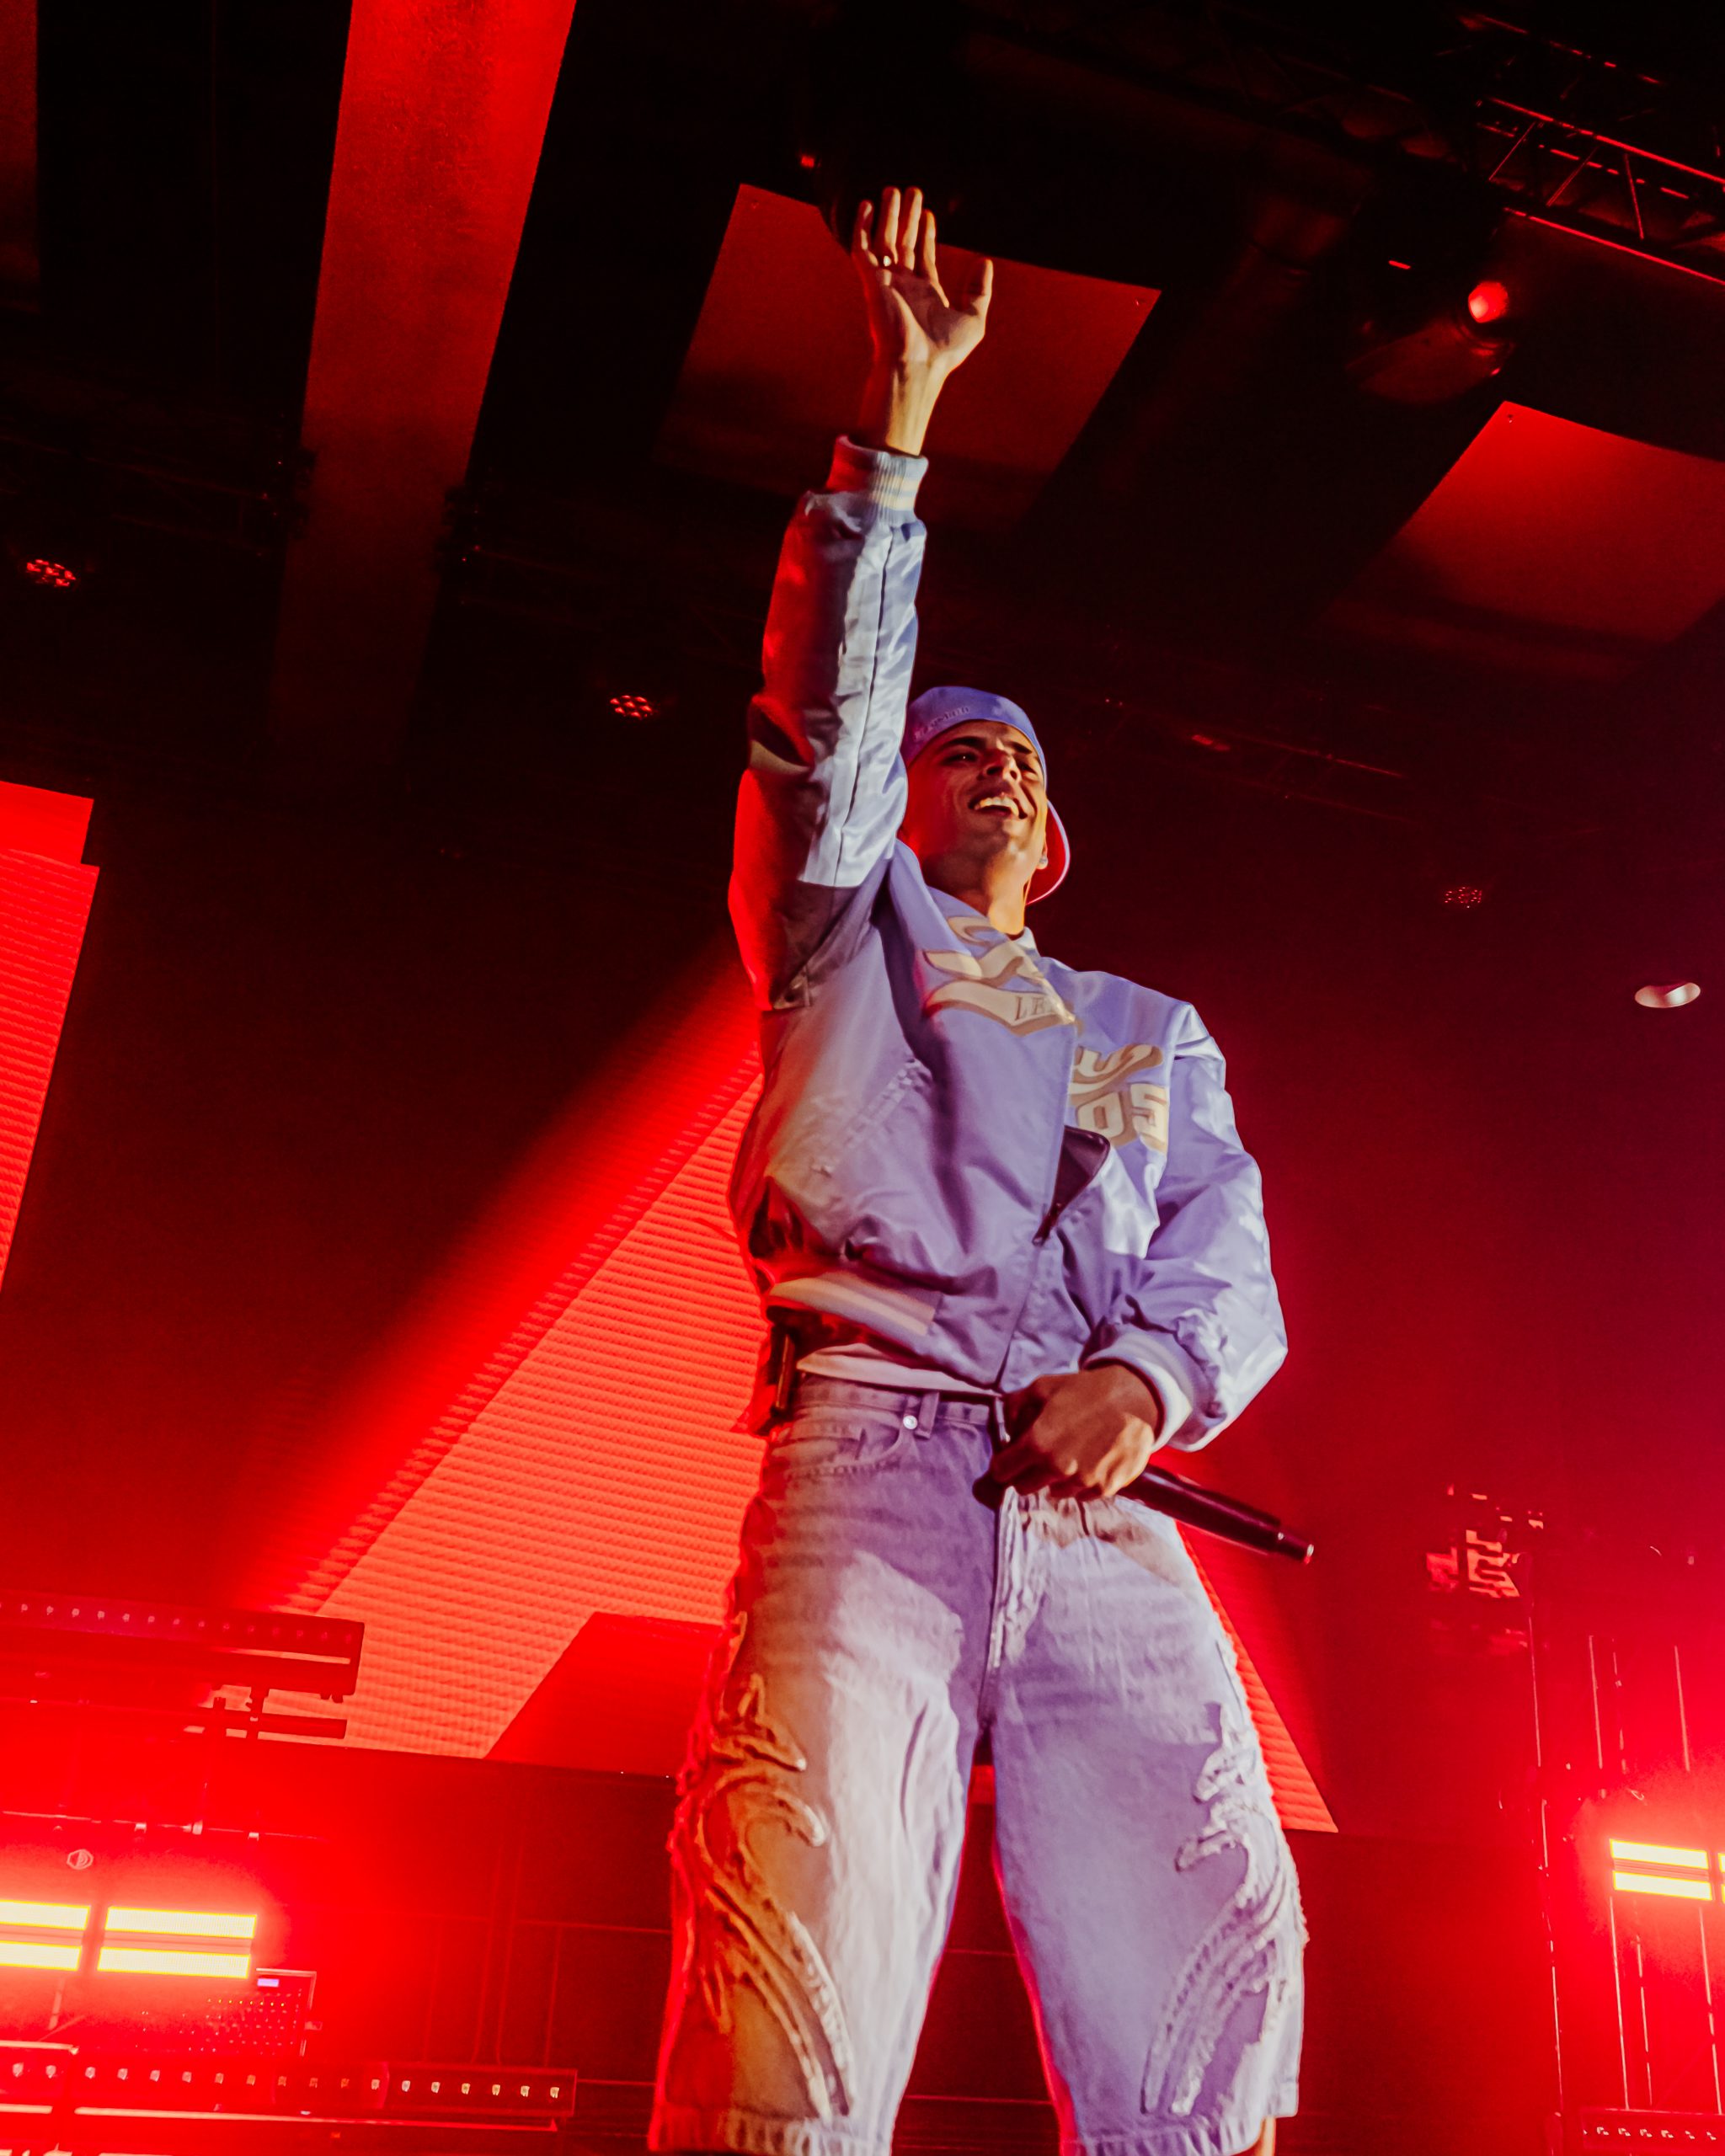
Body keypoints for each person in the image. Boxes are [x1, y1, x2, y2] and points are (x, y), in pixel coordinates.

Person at [650, 185, 1302, 2156]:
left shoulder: (1141, 1020)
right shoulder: (846, 938)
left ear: (1064, 829)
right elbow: (821, 731)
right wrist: (898, 431)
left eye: (1021, 752)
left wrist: (1149, 1382)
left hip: (1106, 1508)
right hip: (878, 1457)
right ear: (901, 800)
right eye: (957, 746)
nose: (994, 761)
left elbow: (1224, 1249)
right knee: (805, 1948)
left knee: (1212, 1951)